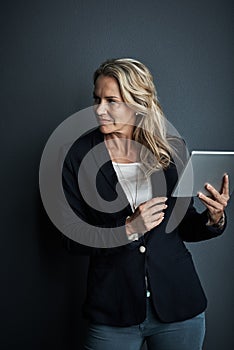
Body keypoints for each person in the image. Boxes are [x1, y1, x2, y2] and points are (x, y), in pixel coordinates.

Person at [62, 58, 230, 350]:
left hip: (180, 308)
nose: (99, 110)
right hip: (113, 310)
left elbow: (184, 224)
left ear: (138, 102)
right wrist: (127, 229)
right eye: (97, 99)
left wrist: (213, 218)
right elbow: (70, 238)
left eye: (111, 101)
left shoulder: (172, 149)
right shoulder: (78, 155)